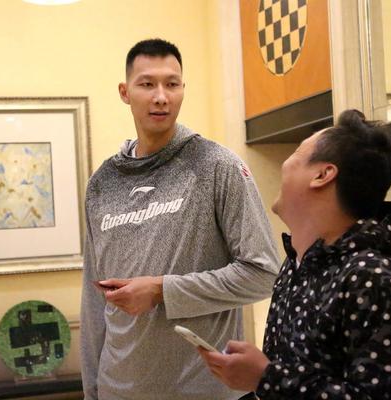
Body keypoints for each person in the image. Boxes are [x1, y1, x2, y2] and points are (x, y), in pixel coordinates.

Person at [80, 38, 280, 400]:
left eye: (172, 84)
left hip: (201, 391)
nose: (161, 97)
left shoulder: (218, 166)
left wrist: (162, 290)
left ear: (183, 89)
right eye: (147, 84)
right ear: (125, 92)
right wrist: (92, 390)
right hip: (116, 390)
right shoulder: (101, 183)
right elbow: (95, 303)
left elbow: (263, 274)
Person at [199, 110, 391, 399]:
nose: (285, 164)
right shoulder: (296, 265)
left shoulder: (378, 279)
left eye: (297, 153)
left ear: (322, 175)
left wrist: (265, 377)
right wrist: (256, 376)